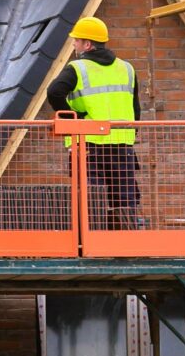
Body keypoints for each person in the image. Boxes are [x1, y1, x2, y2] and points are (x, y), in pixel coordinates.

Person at [46, 16, 141, 230]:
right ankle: (125, 245)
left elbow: (54, 92)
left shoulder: (78, 68)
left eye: (77, 41)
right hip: (122, 147)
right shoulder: (127, 68)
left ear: (87, 44)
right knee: (124, 199)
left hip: (87, 146)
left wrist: (73, 118)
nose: (74, 44)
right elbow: (136, 109)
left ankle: (92, 245)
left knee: (91, 199)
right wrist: (130, 135)